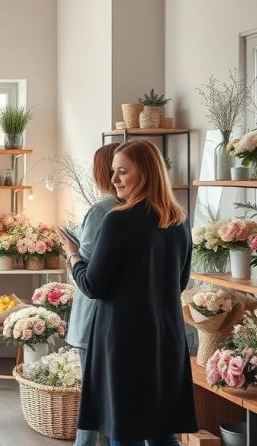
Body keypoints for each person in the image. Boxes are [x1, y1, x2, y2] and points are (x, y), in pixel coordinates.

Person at [61, 139, 197, 446]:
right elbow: (179, 283)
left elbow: (92, 286)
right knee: (162, 431)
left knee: (124, 432)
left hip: (122, 341)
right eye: (113, 172)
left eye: (122, 172)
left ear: (146, 173)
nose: (114, 180)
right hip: (166, 338)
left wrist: (73, 255)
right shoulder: (179, 221)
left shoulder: (118, 220)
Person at [65, 143, 118, 446]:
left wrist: (70, 252)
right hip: (123, 319)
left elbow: (87, 269)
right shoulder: (156, 208)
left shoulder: (102, 210)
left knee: (93, 392)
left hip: (94, 315)